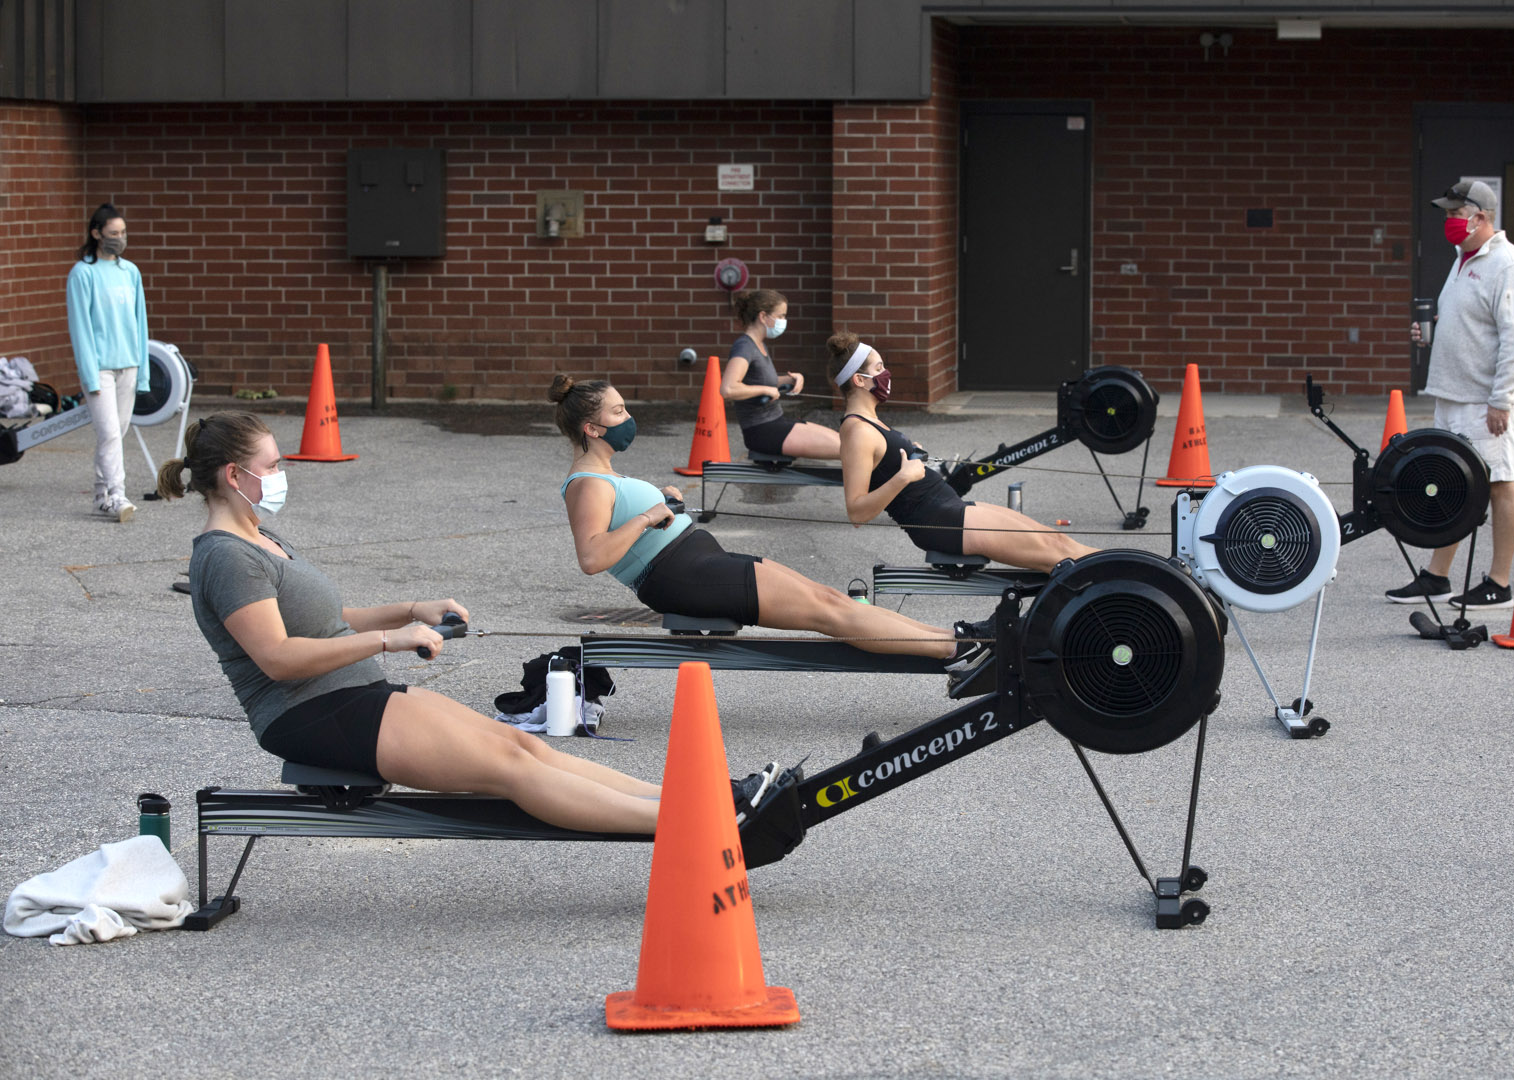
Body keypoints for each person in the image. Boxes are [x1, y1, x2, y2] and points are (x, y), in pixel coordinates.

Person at [159, 411, 663, 837]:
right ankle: (679, 825)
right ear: (233, 475)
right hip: (309, 711)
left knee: (522, 744)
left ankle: (692, 803)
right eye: (271, 466)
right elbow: (278, 657)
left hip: (350, 693)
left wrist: (410, 609)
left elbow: (328, 623)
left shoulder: (260, 537)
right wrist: (387, 640)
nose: (280, 474)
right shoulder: (227, 557)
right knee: (510, 770)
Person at [549, 374, 989, 668]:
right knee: (829, 611)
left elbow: (623, 523)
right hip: (681, 576)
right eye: (618, 412)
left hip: (695, 562)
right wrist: (648, 515)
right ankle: (959, 649)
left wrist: (659, 502)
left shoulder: (602, 474)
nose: (629, 417)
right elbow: (592, 557)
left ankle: (954, 637)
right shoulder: (587, 482)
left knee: (830, 598)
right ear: (592, 428)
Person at [1386, 180, 1514, 611]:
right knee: (1452, 485)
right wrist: (1431, 332)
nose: (1449, 221)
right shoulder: (1463, 259)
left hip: (1483, 399)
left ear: (1482, 217)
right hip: (1452, 394)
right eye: (1448, 213)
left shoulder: (1508, 265)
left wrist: (1502, 400)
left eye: (1456, 213)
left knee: (1500, 483)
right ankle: (1437, 576)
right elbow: (1472, 324)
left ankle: (1499, 582)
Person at [828, 332, 1098, 573]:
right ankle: (1124, 573)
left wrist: (912, 455)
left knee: (1057, 541)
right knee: (1059, 556)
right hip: (941, 521)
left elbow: (888, 463)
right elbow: (856, 512)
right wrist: (903, 477)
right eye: (879, 368)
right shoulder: (857, 430)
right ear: (860, 380)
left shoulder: (870, 421)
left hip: (950, 508)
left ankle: (1127, 566)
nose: (886, 373)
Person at [67, 203, 149, 523]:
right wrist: (89, 374)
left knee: (116, 433)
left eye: (123, 233)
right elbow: (80, 328)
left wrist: (142, 371)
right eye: (113, 233)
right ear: (96, 234)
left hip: (128, 364)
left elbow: (139, 322)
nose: (120, 238)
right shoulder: (82, 273)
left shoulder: (130, 272)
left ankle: (100, 494)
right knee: (110, 434)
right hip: (99, 368)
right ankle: (117, 494)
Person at [722, 289, 841, 460]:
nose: (784, 321)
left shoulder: (759, 345)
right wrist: (765, 390)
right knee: (848, 449)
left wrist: (791, 379)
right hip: (762, 430)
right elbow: (728, 388)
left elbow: (763, 381)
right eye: (780, 316)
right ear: (763, 317)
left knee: (845, 443)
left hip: (776, 421)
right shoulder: (744, 346)